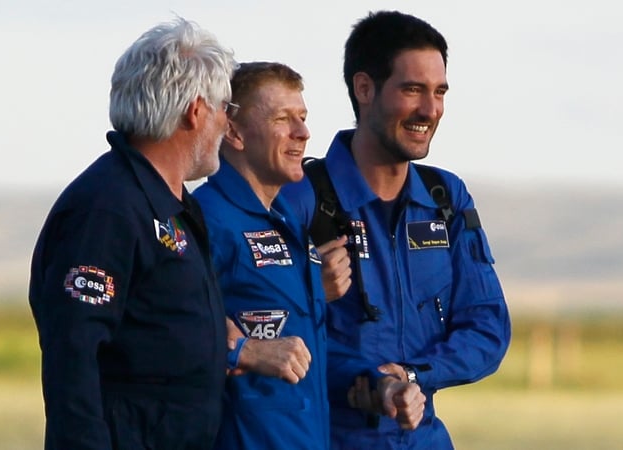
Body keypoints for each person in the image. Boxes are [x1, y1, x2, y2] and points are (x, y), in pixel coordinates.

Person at [280, 10, 512, 449]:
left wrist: (411, 376)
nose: (430, 109)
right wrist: (368, 381)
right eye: (412, 90)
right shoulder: (299, 200)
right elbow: (268, 331)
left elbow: (488, 326)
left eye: (439, 91)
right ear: (364, 88)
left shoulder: (446, 197)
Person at [193, 61, 426, 450]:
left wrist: (377, 384)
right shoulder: (207, 219)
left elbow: (305, 349)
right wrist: (242, 350)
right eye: (283, 119)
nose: (303, 133)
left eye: (302, 117)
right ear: (233, 130)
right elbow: (167, 332)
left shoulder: (287, 222)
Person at [28, 18, 237, 450]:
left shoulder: (169, 205)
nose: (226, 126)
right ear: (196, 111)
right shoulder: (106, 209)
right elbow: (74, 354)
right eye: (224, 108)